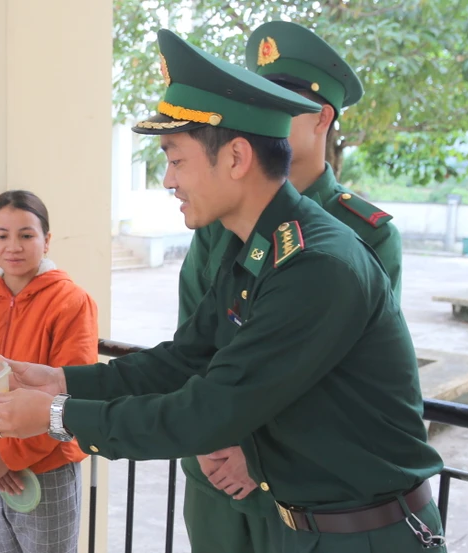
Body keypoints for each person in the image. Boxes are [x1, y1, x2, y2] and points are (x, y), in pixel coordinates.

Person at [0, 29, 446, 553]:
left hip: (367, 535)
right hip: (305, 527)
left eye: (176, 159)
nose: (169, 181)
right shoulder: (259, 248)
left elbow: (209, 411)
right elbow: (182, 361)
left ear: (236, 158)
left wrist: (55, 418)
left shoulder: (315, 264)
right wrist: (58, 381)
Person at [176, 21, 404, 553]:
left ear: (323, 117)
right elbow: (195, 336)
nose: (263, 115)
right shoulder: (217, 218)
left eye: (282, 101)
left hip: (296, 483)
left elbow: (335, 370)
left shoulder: (362, 234)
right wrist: (212, 436)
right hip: (212, 473)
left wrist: (252, 455)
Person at [0, 190, 96, 553]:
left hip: (46, 465)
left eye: (26, 235)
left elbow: (71, 394)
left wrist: (8, 457)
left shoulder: (71, 302)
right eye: (2, 235)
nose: (13, 246)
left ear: (46, 240)